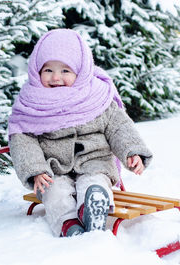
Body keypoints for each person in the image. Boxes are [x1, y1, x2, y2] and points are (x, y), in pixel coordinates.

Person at [8, 29, 152, 237]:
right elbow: (22, 138)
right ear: (36, 70)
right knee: (55, 192)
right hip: (52, 169)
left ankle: (92, 207)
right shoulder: (31, 102)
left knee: (95, 182)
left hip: (95, 163)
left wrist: (132, 151)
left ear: (81, 70)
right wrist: (36, 170)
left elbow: (119, 127)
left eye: (65, 71)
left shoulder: (97, 96)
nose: (56, 77)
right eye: (48, 70)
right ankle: (68, 224)